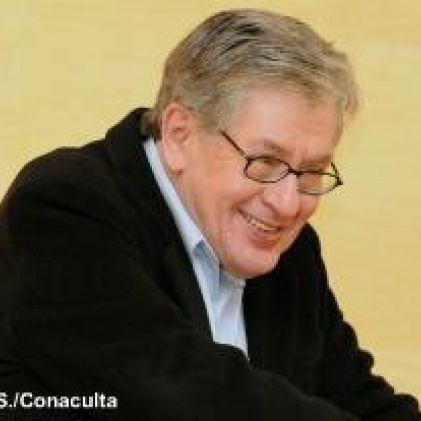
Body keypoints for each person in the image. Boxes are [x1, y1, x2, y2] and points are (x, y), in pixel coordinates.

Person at [0, 8, 419, 421]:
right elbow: (177, 398)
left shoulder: (288, 248)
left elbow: (361, 398)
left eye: (310, 171)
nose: (289, 203)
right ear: (179, 135)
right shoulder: (65, 206)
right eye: (265, 162)